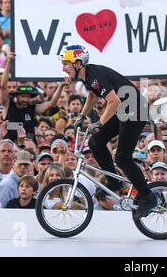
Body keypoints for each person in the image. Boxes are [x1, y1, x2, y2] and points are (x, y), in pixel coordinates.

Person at [60, 45, 156, 220]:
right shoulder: (88, 76)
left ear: (78, 63)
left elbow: (114, 101)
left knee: (122, 157)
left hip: (134, 110)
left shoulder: (95, 76)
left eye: (66, 63)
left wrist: (99, 122)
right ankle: (114, 180)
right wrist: (81, 116)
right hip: (124, 110)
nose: (63, 68)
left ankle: (148, 197)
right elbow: (92, 95)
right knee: (95, 143)